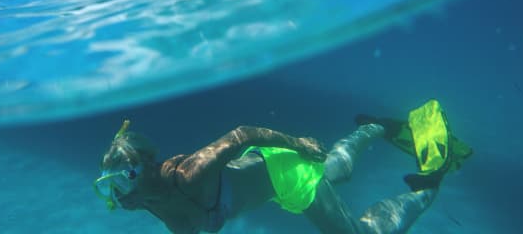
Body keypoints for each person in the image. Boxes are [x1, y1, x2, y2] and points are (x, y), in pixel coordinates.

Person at [94, 99, 473, 234]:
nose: (118, 195)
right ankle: (374, 127)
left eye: (124, 180)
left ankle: (426, 190)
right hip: (269, 171)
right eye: (110, 185)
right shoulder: (146, 199)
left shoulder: (188, 175)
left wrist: (300, 143)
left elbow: (242, 134)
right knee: (337, 170)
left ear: (147, 166)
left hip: (285, 176)